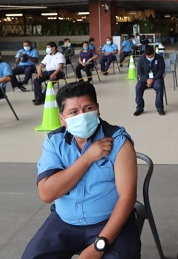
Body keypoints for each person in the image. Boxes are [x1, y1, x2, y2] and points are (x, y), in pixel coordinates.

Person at [21, 82, 140, 259]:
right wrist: (87, 158)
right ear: (62, 119)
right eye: (74, 112)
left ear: (98, 110)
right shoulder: (55, 142)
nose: (82, 116)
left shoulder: (118, 141)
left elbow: (127, 198)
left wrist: (98, 247)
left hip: (108, 222)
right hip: (64, 222)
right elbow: (47, 194)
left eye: (88, 108)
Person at [133, 45, 166, 116]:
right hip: (145, 79)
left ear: (153, 53)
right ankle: (139, 108)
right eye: (147, 56)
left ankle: (160, 107)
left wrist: (152, 80)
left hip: (156, 78)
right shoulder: (141, 59)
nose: (149, 58)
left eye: (150, 56)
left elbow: (161, 71)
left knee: (159, 86)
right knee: (138, 87)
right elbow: (139, 71)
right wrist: (147, 79)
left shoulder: (159, 58)